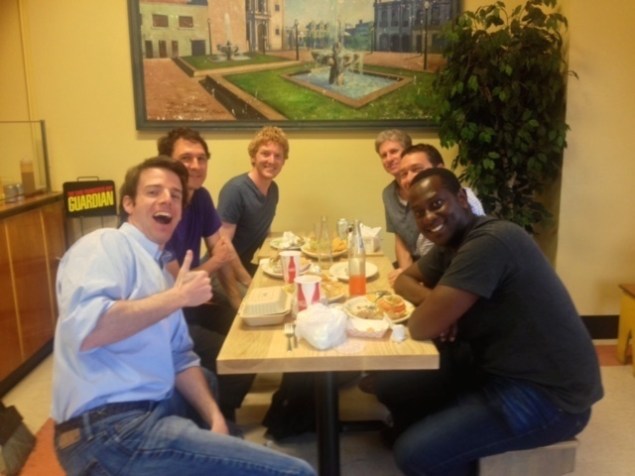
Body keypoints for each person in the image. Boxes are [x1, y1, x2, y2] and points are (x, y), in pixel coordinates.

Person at [51, 156, 316, 476]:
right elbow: (89, 329)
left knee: (205, 383)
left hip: (154, 404)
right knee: (296, 471)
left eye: (176, 195)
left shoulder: (161, 268)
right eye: (153, 192)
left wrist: (215, 420)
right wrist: (178, 297)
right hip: (106, 429)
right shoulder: (103, 245)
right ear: (129, 203)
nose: (167, 200)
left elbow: (180, 357)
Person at [383, 167, 603, 476]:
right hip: (500, 369)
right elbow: (403, 280)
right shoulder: (453, 243)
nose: (429, 217)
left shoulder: (489, 242)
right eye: (419, 213)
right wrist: (432, 302)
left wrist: (436, 311)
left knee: (413, 454)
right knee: (391, 386)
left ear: (462, 198)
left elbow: (420, 326)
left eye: (437, 204)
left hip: (550, 397)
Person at [158, 128, 254, 421]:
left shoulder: (200, 197)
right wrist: (216, 262)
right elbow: (180, 283)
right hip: (165, 316)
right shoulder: (162, 209)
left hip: (191, 302)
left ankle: (223, 411)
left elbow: (220, 247)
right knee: (237, 358)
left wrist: (249, 291)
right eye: (186, 158)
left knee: (249, 334)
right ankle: (217, 419)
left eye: (201, 158)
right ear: (166, 162)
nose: (196, 165)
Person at [388, 143, 485, 284]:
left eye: (416, 169)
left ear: (440, 169)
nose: (409, 179)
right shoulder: (424, 204)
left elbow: (459, 273)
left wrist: (413, 280)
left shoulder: (462, 205)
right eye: (403, 174)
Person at [218, 126, 289, 280]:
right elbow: (222, 246)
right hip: (220, 275)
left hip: (244, 265)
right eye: (265, 153)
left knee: (289, 279)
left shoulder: (273, 190)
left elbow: (264, 230)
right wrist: (247, 281)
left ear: (283, 161)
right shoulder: (235, 190)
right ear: (253, 157)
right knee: (265, 303)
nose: (272, 160)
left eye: (278, 156)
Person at [375, 129, 418, 271]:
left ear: (408, 152)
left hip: (438, 265)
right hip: (410, 262)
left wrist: (413, 276)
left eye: (394, 151)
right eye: (383, 155)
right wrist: (406, 272)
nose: (388, 158)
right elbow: (400, 240)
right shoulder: (388, 195)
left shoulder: (428, 188)